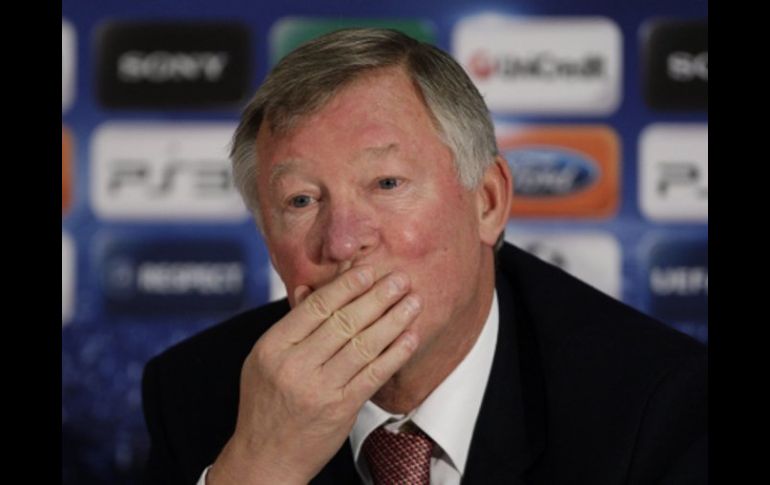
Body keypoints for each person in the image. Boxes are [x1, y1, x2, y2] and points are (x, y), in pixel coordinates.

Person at [141, 28, 707, 485]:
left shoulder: (656, 403)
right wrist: (261, 468)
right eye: (301, 201)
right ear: (267, 237)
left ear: (487, 202)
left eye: (387, 183)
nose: (343, 242)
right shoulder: (195, 392)